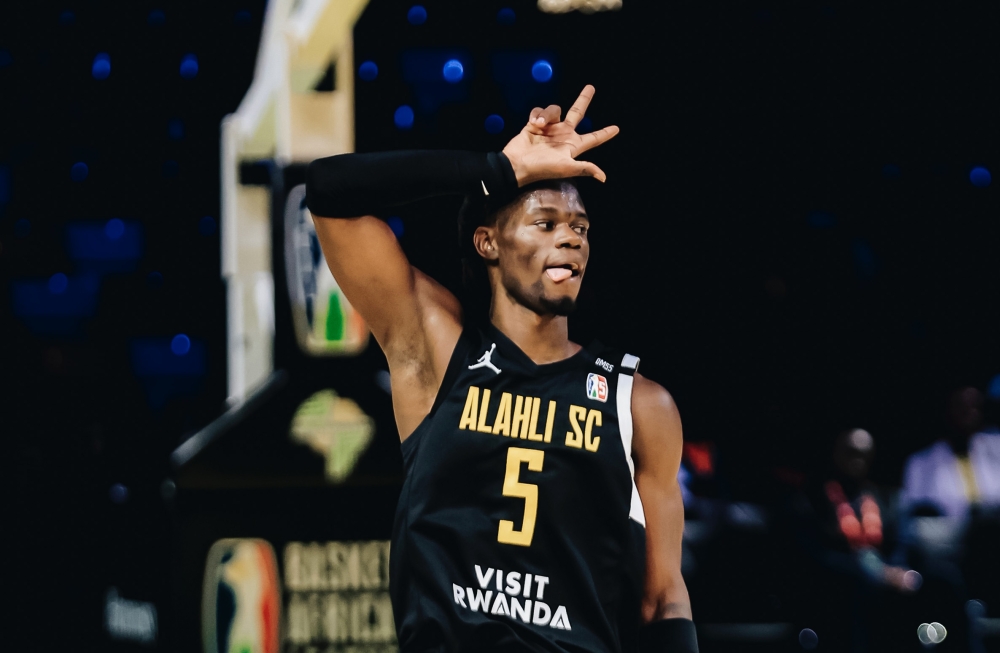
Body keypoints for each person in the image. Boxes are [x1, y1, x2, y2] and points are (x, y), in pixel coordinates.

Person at [305, 86, 697, 653]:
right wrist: (496, 170)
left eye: (580, 227)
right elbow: (328, 188)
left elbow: (663, 599)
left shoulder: (638, 402)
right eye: (545, 223)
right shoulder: (437, 348)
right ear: (487, 243)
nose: (570, 238)